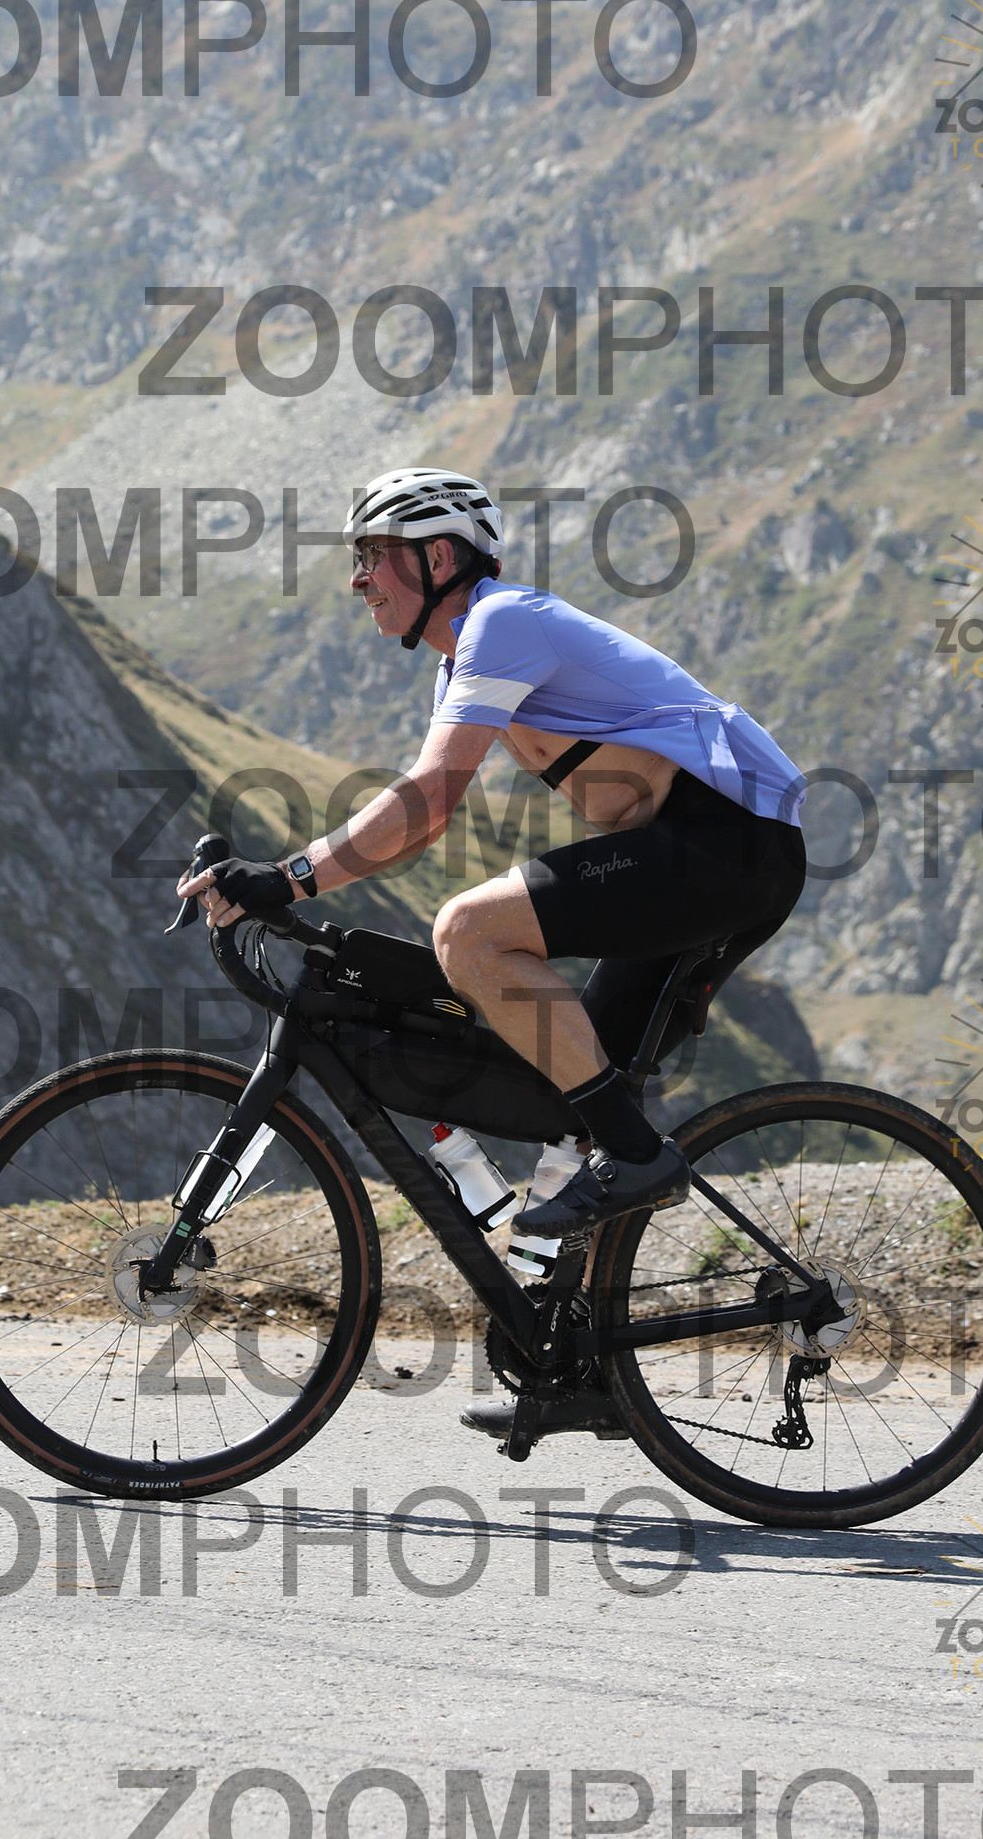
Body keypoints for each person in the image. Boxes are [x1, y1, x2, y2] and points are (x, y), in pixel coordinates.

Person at [177, 467, 807, 1441]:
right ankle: (581, 1370)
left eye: (372, 555)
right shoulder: (468, 656)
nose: (357, 579)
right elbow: (426, 803)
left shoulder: (503, 622)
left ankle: (638, 1158)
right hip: (705, 853)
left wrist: (290, 878)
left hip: (727, 845)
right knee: (574, 1091)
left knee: (468, 932)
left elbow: (429, 801)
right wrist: (287, 881)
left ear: (438, 557)